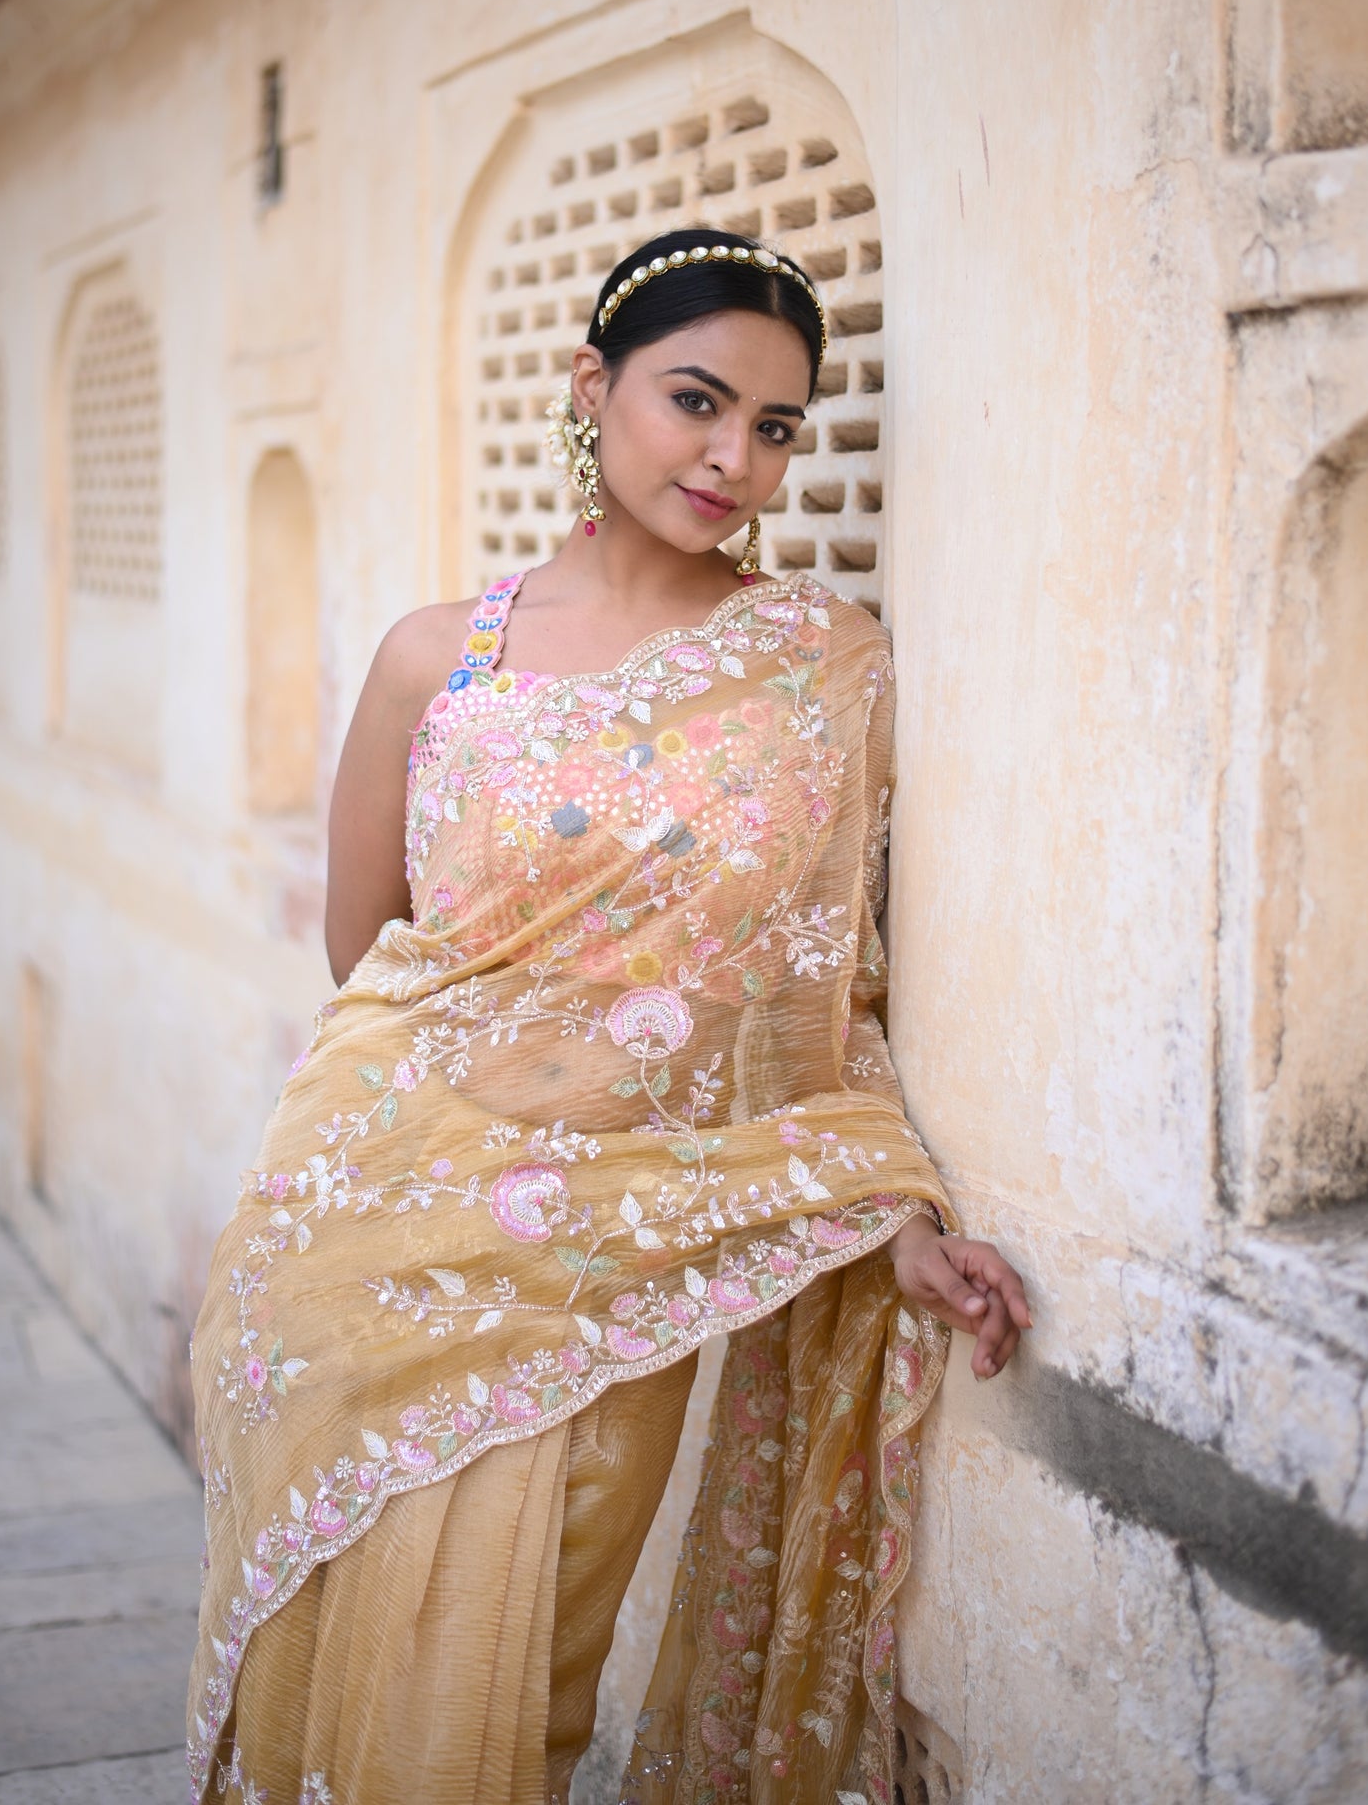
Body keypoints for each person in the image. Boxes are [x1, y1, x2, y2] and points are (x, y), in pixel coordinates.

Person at [187, 228, 1032, 1804]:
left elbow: (815, 990)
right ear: (593, 386)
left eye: (773, 427)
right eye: (695, 401)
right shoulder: (438, 661)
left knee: (515, 1699)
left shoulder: (819, 670)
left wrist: (882, 1221)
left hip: (611, 1261)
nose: (734, 458)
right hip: (358, 1247)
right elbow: (370, 957)